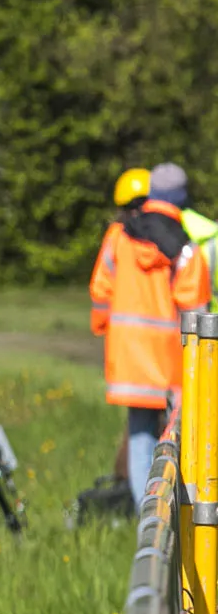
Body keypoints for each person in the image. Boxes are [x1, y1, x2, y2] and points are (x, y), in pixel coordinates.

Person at [91, 162, 212, 508]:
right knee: (175, 439)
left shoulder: (118, 236)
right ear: (181, 200)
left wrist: (106, 330)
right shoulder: (187, 249)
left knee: (140, 433)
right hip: (171, 363)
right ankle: (172, 514)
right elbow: (197, 313)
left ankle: (146, 513)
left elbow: (101, 289)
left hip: (128, 359)